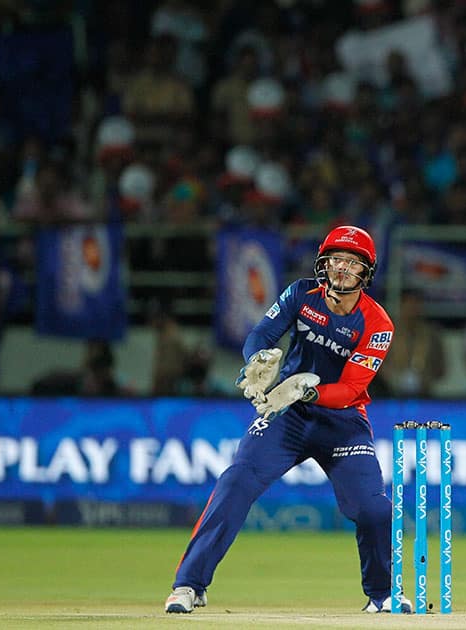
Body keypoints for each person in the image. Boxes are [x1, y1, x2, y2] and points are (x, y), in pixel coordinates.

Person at [163, 225, 410, 614]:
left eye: (353, 263)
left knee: (374, 509)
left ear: (367, 273)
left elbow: (349, 388)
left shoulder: (377, 323)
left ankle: (381, 596)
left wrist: (307, 390)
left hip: (342, 421)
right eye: (336, 260)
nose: (342, 269)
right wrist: (257, 360)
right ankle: (189, 585)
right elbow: (262, 334)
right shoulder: (300, 293)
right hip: (287, 414)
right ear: (323, 263)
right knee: (236, 481)